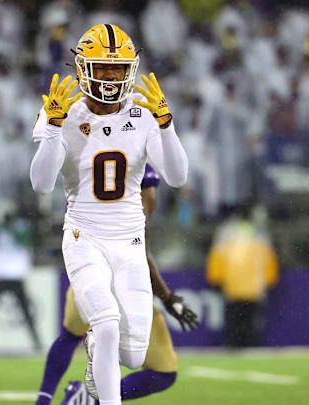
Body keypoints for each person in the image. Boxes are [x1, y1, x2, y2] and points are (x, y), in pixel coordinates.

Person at [30, 24, 188, 405]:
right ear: (84, 68)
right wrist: (52, 129)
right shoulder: (64, 111)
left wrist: (166, 126)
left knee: (133, 354)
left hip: (130, 242)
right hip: (85, 237)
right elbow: (41, 183)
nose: (112, 76)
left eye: (118, 69)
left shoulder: (143, 110)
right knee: (105, 321)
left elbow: (178, 176)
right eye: (102, 67)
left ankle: (88, 376)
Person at [35, 165, 199, 405]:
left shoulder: (87, 160)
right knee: (164, 372)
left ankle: (44, 400)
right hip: (123, 283)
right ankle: (91, 397)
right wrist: (166, 297)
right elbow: (139, 251)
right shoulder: (143, 180)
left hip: (87, 275)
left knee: (70, 336)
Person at [0, 201, 42, 351]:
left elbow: (24, 239)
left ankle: (37, 344)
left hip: (15, 276)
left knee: (26, 314)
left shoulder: (21, 225)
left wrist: (9, 226)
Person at [206, 210, 279, 347]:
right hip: (254, 289)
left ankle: (234, 345)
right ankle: (250, 346)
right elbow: (269, 261)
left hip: (232, 287)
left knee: (234, 323)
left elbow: (216, 258)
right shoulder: (260, 233)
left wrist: (216, 280)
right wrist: (269, 281)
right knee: (251, 323)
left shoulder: (225, 232)